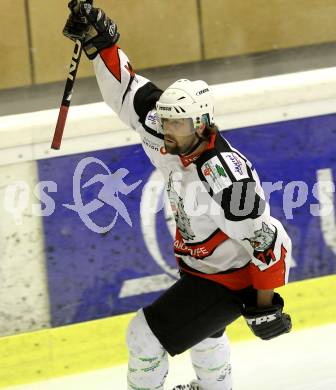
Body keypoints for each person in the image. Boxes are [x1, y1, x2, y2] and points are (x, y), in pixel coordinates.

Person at [63, 2, 292, 389]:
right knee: (205, 334)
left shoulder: (224, 175)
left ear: (202, 123)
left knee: (142, 337)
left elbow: (265, 238)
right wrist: (101, 45)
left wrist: (264, 304)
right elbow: (127, 91)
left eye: (179, 124)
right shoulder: (167, 132)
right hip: (202, 270)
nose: (169, 130)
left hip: (228, 281)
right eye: (166, 121)